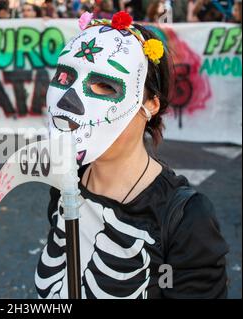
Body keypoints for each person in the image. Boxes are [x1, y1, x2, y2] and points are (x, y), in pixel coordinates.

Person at [36, 11, 228, 299]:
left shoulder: (186, 220)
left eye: (105, 85)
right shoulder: (66, 181)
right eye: (65, 77)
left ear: (150, 104)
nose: (69, 101)